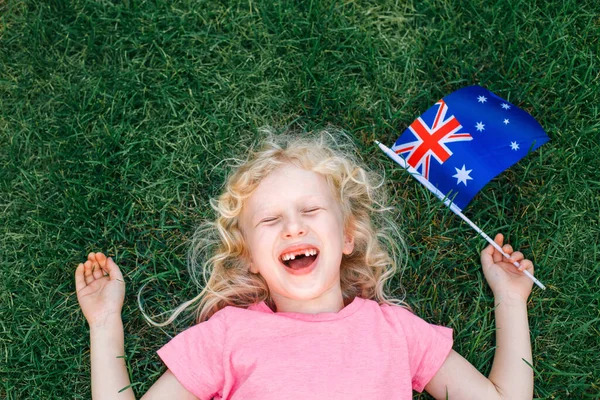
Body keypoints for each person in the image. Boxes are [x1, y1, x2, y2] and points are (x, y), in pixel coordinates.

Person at [75, 129, 535, 400]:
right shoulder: (228, 336)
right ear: (251, 259)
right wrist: (104, 325)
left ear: (348, 235)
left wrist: (511, 302)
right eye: (271, 220)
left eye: (311, 211)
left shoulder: (396, 332)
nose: (293, 228)